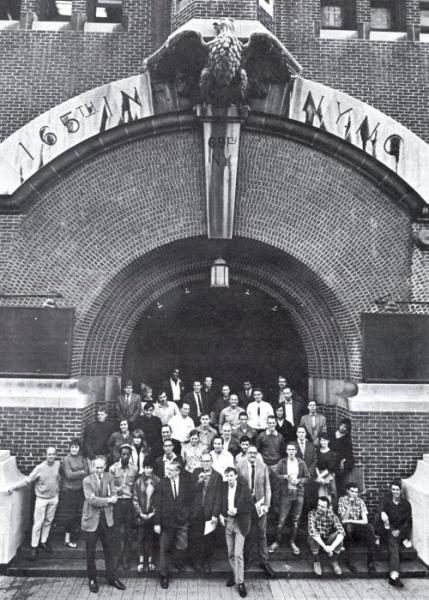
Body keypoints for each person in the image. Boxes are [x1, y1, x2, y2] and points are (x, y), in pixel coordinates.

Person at [81, 455, 125, 593]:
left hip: (107, 519)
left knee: (109, 551)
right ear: (93, 466)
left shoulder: (109, 477)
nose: (99, 470)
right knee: (90, 552)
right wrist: (107, 500)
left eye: (101, 467)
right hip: (92, 519)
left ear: (105, 466)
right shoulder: (87, 480)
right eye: (96, 467)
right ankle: (92, 579)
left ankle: (111, 578)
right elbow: (91, 500)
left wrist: (109, 499)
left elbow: (115, 496)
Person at [8, 447, 61, 560]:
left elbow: (58, 479)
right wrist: (13, 487)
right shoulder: (40, 468)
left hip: (53, 498)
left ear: (56, 455)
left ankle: (43, 541)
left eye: (53, 454)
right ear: (45, 455)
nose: (51, 456)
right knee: (38, 523)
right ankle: (34, 546)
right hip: (41, 499)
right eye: (49, 454)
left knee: (48, 521)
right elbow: (27, 480)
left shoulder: (58, 465)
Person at [236, 446, 275, 577]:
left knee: (262, 533)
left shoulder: (262, 466)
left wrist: (266, 505)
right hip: (245, 505)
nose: (252, 454)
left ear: (257, 454)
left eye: (254, 452)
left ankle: (264, 561)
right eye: (250, 453)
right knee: (246, 533)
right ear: (246, 454)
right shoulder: (239, 466)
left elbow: (267, 486)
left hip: (260, 504)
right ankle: (248, 559)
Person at [154, 461, 191, 589]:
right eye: (167, 469)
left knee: (182, 545)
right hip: (166, 522)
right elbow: (157, 504)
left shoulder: (185, 482)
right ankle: (164, 575)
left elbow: (189, 500)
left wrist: (186, 515)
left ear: (178, 471)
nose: (168, 472)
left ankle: (177, 562)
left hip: (181, 520)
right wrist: (157, 523)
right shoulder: (162, 483)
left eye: (171, 470)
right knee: (164, 548)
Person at [269, 442, 309, 555]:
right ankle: (277, 541)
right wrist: (285, 477)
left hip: (298, 493)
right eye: (289, 450)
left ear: (296, 451)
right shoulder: (282, 462)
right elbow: (275, 475)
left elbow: (307, 477)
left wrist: (299, 481)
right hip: (286, 494)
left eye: (293, 450)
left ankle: (292, 542)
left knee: (296, 520)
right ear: (286, 451)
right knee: (281, 520)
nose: (291, 452)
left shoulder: (301, 463)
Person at [219, 467, 254, 598]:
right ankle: (235, 575)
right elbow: (221, 503)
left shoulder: (244, 488)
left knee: (238, 554)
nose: (229, 478)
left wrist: (237, 510)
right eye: (227, 475)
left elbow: (251, 505)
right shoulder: (224, 488)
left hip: (240, 523)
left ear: (236, 476)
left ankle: (240, 582)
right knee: (230, 553)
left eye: (231, 475)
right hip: (228, 523)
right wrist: (221, 515)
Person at [189, 452, 223, 573]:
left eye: (208, 461)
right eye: (203, 461)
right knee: (196, 537)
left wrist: (215, 514)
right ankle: (197, 562)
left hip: (209, 512)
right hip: (197, 511)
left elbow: (218, 497)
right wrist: (199, 481)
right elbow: (190, 491)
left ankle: (206, 562)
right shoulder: (196, 472)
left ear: (211, 461)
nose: (205, 464)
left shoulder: (217, 476)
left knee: (208, 539)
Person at [375, 480, 412, 588]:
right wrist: (382, 512)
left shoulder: (406, 504)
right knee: (392, 541)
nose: (395, 491)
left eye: (397, 489)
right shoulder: (386, 501)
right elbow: (379, 508)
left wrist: (399, 531)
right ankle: (394, 575)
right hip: (387, 530)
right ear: (391, 490)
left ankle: (394, 575)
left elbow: (408, 522)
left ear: (401, 491)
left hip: (399, 531)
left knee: (394, 544)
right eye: (393, 489)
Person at [109, 444, 139, 570]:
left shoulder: (134, 469)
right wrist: (115, 492)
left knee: (128, 531)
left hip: (129, 503)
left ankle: (126, 558)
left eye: (127, 454)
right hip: (117, 503)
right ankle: (117, 558)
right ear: (120, 455)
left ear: (130, 455)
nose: (125, 456)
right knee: (116, 531)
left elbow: (136, 487)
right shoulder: (113, 468)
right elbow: (109, 486)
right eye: (123, 454)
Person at [338, 482, 376, 574]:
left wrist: (351, 521)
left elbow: (365, 520)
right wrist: (350, 505)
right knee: (349, 527)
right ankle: (349, 561)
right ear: (347, 491)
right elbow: (343, 520)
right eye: (352, 491)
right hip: (347, 529)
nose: (355, 494)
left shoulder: (360, 501)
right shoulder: (342, 500)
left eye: (356, 492)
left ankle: (370, 561)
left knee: (370, 528)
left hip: (357, 527)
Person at [132, 456, 160, 573]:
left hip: (152, 515)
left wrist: (153, 512)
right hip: (141, 515)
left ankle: (150, 560)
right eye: (146, 468)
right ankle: (141, 560)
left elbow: (158, 498)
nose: (148, 470)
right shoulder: (138, 482)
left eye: (150, 468)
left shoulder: (157, 481)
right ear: (143, 468)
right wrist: (140, 513)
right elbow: (135, 499)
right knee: (141, 538)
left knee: (151, 538)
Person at [61, 438, 89, 548]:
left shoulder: (82, 458)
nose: (74, 449)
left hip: (80, 490)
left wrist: (78, 473)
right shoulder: (66, 459)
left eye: (76, 447)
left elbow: (86, 472)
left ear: (79, 448)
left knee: (80, 513)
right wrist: (81, 472)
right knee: (70, 515)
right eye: (72, 447)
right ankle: (67, 539)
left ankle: (76, 535)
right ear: (69, 448)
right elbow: (68, 475)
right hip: (69, 491)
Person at [308, 495, 345, 576]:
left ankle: (334, 561)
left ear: (328, 507)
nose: (320, 508)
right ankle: (316, 562)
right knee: (312, 536)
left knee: (339, 536)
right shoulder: (312, 513)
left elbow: (341, 532)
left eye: (323, 507)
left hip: (328, 540)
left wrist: (331, 547)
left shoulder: (332, 515)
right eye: (319, 505)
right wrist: (324, 546)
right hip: (318, 541)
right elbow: (312, 531)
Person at [331, 417, 355, 498]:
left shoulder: (347, 439)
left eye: (345, 427)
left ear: (347, 429)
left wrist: (343, 461)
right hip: (331, 461)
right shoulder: (332, 435)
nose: (342, 428)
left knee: (340, 485)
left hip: (339, 463)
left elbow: (348, 453)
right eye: (341, 425)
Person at [315, 433, 338, 504]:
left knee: (329, 496)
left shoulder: (332, 453)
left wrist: (320, 476)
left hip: (328, 476)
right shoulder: (317, 452)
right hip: (319, 475)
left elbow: (330, 468)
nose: (323, 442)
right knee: (320, 495)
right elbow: (315, 465)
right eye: (321, 440)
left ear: (328, 441)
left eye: (325, 440)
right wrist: (318, 476)